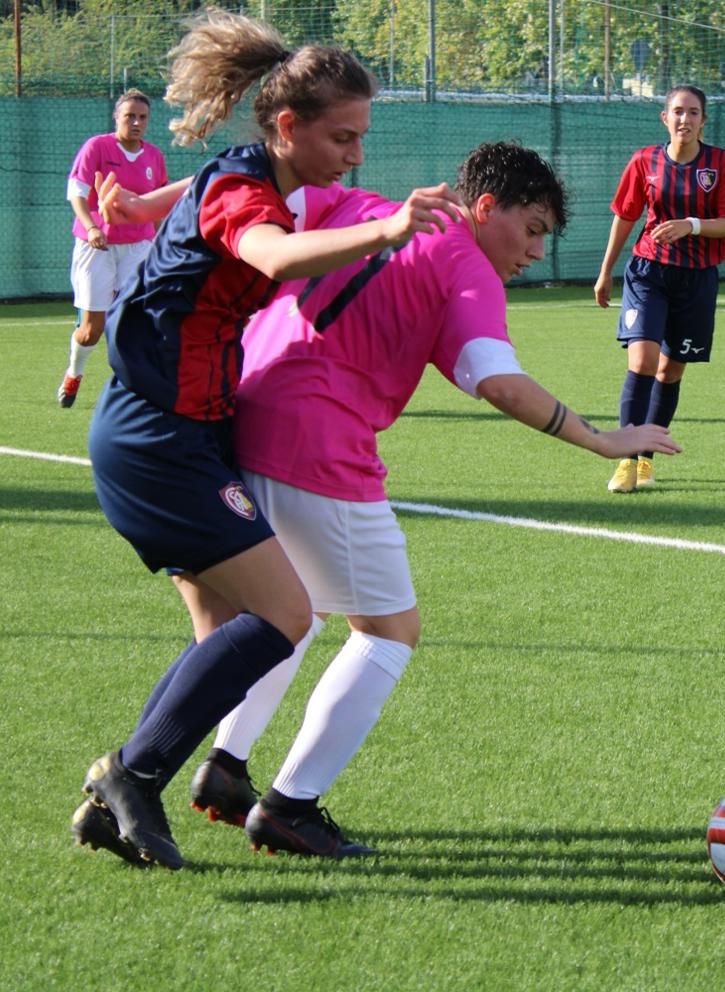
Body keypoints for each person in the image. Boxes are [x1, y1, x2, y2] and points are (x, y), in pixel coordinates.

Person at [92, 140, 678, 862]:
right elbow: (495, 378)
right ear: (484, 206)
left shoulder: (360, 205)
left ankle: (225, 765)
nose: (534, 251)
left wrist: (148, 203)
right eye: (530, 229)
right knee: (388, 630)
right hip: (319, 451)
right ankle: (289, 808)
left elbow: (237, 193)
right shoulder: (464, 264)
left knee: (280, 614)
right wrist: (599, 440)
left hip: (241, 422)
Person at [70, 9, 460, 871]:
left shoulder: (248, 173)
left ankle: (119, 796)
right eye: (344, 137)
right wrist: (390, 229)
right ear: (288, 126)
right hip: (156, 439)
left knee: (225, 641)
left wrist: (142, 201)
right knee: (284, 615)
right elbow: (274, 257)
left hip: (184, 436)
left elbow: (209, 199)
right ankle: (130, 772)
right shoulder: (250, 195)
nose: (356, 154)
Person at [594, 84, 725, 493]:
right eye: (677, 111)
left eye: (693, 112)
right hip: (648, 272)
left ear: (703, 120)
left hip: (696, 278)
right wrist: (606, 271)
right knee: (641, 361)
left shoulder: (720, 163)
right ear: (665, 118)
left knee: (670, 369)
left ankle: (645, 459)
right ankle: (625, 460)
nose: (685, 120)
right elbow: (625, 216)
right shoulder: (645, 161)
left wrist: (690, 225)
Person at [58, 89, 168, 408]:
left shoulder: (154, 156)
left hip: (138, 247)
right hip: (98, 247)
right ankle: (74, 372)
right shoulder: (97, 147)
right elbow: (76, 194)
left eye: (142, 117)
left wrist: (162, 241)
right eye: (129, 116)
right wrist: (92, 227)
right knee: (91, 330)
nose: (136, 122)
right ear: (116, 117)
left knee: (132, 323)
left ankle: (129, 391)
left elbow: (157, 205)